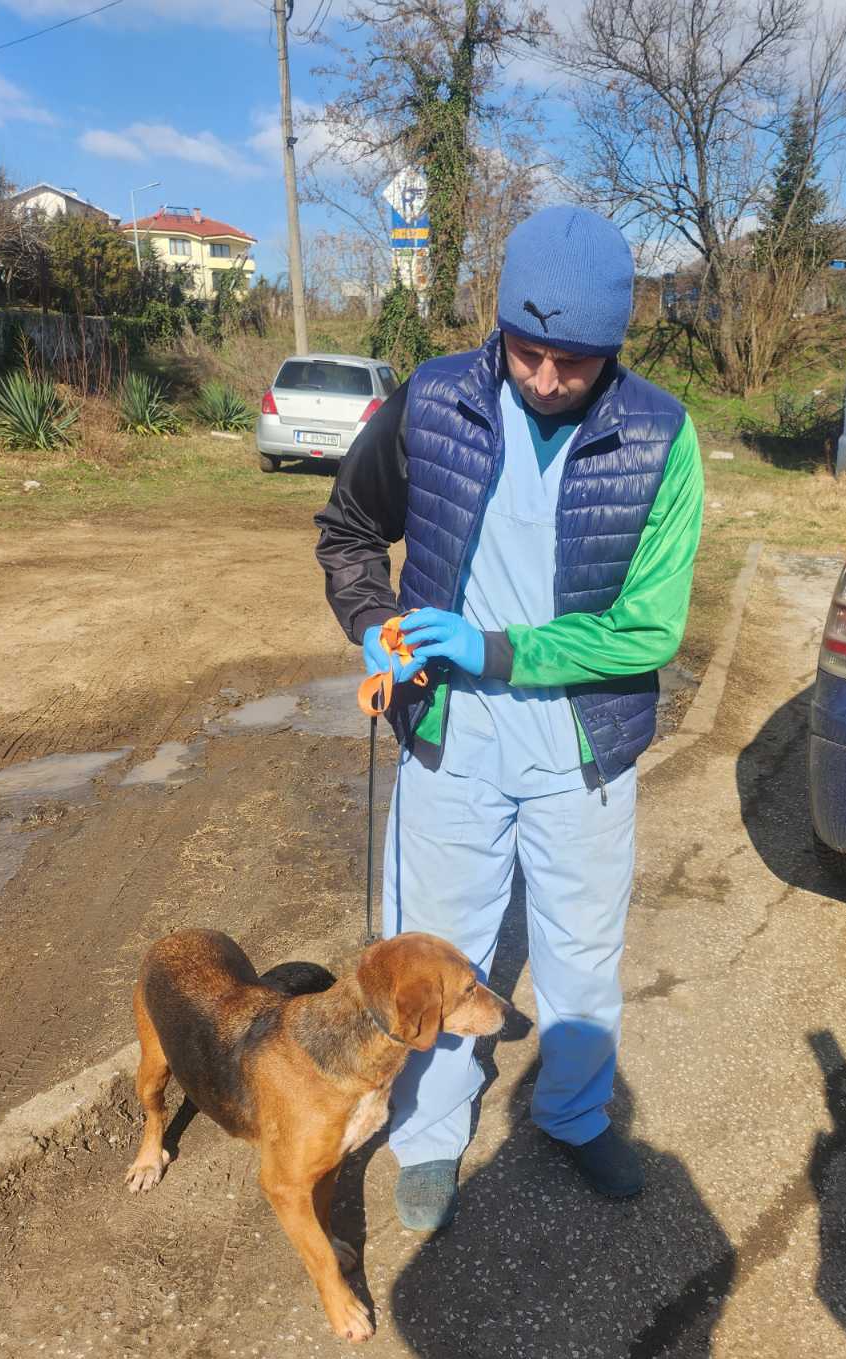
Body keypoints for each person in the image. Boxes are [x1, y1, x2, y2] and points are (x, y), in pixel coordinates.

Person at [314, 204, 703, 1231]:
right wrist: (373, 623)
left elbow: (648, 629)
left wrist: (501, 648)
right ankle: (431, 1133)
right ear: (499, 327)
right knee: (433, 950)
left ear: (613, 348)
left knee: (580, 950)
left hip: (582, 745)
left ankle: (574, 1114)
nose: (543, 379)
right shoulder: (433, 401)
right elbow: (350, 531)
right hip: (451, 737)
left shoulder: (661, 437)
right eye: (527, 352)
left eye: (571, 362)